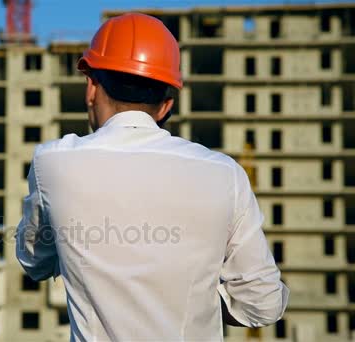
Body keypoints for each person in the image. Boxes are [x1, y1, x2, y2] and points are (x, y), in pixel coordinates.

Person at [16, 12, 289, 341]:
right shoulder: (225, 174)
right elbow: (262, 304)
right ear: (166, 105)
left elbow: (35, 261)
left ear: (91, 86)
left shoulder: (52, 163)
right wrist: (194, 300)